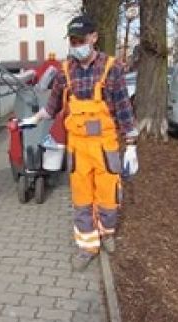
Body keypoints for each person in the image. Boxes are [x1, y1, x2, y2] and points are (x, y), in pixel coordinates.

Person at [21, 15, 139, 271]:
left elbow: (123, 108)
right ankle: (87, 246)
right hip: (78, 149)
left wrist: (131, 143)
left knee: (108, 197)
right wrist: (36, 117)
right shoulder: (66, 71)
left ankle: (106, 233)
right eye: (72, 41)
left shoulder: (112, 67)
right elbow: (53, 107)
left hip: (105, 147)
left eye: (80, 40)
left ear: (94, 37)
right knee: (82, 199)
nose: (76, 45)